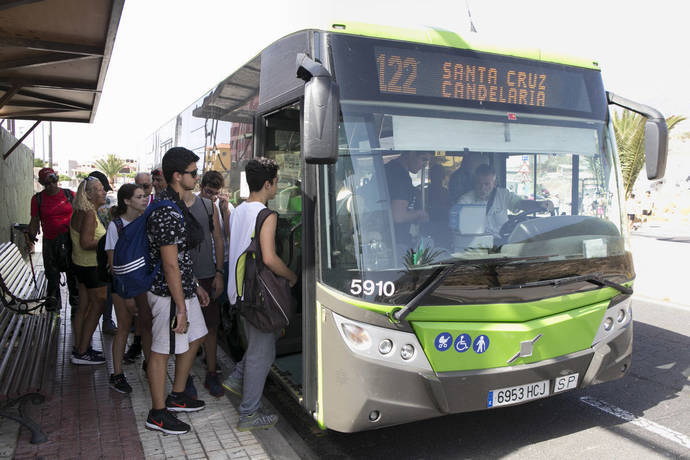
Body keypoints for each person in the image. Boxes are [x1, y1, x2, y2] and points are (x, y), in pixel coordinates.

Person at [222, 158, 297, 431]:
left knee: (259, 344)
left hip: (240, 291)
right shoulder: (267, 214)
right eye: (276, 182)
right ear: (267, 184)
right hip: (259, 296)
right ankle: (249, 414)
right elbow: (268, 257)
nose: (277, 187)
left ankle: (236, 379)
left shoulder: (238, 211)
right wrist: (290, 276)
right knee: (261, 355)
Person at [144, 147, 208, 435]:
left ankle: (177, 396)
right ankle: (157, 414)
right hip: (168, 293)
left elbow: (181, 258)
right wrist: (181, 307)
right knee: (161, 352)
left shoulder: (176, 204)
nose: (197, 177)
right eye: (193, 173)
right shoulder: (167, 211)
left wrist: (193, 285)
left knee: (197, 335)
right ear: (177, 176)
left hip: (182, 288)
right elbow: (169, 264)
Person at [183, 172, 225, 397]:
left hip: (208, 275)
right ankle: (185, 377)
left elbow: (218, 239)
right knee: (185, 328)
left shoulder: (209, 207)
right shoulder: (173, 207)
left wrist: (219, 272)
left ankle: (211, 373)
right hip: (184, 278)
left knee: (211, 327)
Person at [105, 184, 148, 393]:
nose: (144, 199)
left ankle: (150, 364)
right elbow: (114, 266)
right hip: (123, 286)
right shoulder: (116, 226)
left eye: (145, 196)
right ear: (126, 201)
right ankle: (117, 374)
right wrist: (129, 294)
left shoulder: (144, 221)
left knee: (146, 325)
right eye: (139, 197)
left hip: (143, 284)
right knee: (123, 326)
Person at [27, 167, 79, 310]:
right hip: (50, 241)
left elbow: (81, 214)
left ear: (57, 179)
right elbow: (34, 219)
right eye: (46, 183)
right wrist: (30, 235)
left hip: (70, 240)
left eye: (53, 181)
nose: (50, 186)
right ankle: (53, 304)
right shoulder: (37, 199)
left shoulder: (70, 195)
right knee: (52, 273)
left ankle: (76, 305)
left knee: (72, 273)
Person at [70, 177, 108, 364]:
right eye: (99, 189)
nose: (104, 192)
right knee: (98, 306)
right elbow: (86, 243)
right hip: (91, 267)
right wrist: (107, 242)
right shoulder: (89, 214)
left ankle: (79, 347)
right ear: (89, 194)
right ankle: (83, 351)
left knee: (83, 308)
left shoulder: (80, 211)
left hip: (80, 266)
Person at [458, 164, 553, 240]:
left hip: (503, 242)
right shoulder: (464, 201)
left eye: (487, 184)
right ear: (474, 183)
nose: (483, 188)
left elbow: (521, 203)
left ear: (494, 184)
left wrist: (538, 204)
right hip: (478, 248)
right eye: (479, 184)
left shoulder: (503, 195)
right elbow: (462, 233)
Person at [88, 170, 118, 336]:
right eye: (101, 189)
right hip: (99, 257)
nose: (104, 192)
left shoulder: (93, 208)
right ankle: (106, 320)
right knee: (106, 290)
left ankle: (106, 320)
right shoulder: (95, 210)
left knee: (104, 291)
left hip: (97, 258)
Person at [384, 151, 432, 249]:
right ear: (411, 153)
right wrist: (420, 214)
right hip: (396, 242)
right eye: (423, 159)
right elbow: (398, 216)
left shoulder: (390, 168)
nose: (425, 165)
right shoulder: (400, 176)